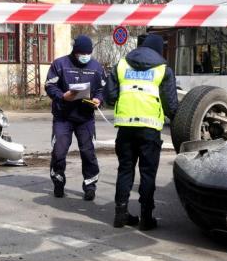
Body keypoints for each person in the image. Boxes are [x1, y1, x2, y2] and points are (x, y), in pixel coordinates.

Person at [106, 33, 178, 230]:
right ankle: (146, 218)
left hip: (125, 129)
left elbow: (110, 97)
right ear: (158, 51)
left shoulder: (121, 65)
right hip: (149, 130)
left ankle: (120, 215)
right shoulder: (163, 70)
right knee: (148, 173)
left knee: (125, 170)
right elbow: (172, 105)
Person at [44, 34, 106, 201]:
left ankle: (90, 185)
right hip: (63, 116)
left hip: (85, 117)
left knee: (88, 153)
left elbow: (102, 89)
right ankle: (58, 181)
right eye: (82, 53)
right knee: (59, 151)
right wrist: (62, 96)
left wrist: (98, 100)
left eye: (88, 53)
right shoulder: (60, 64)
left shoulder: (96, 67)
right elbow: (50, 85)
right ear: (75, 52)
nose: (85, 56)